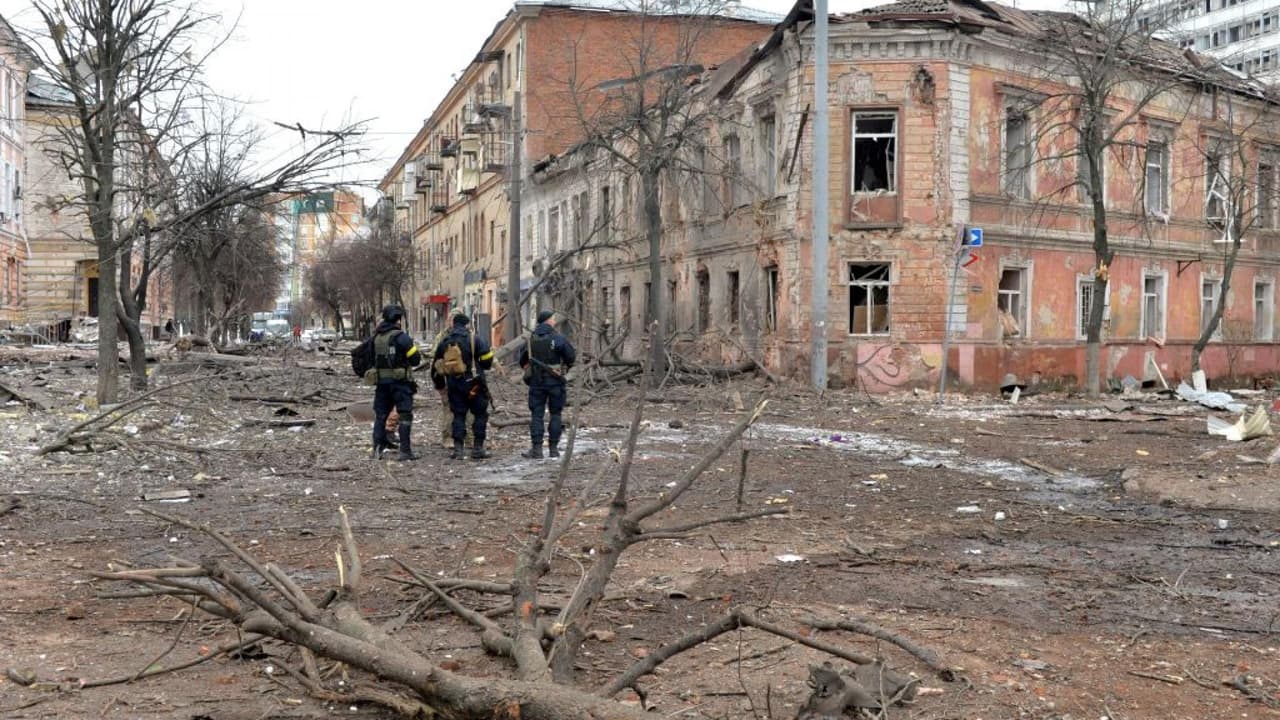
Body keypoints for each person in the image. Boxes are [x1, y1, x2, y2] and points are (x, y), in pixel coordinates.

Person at [433, 313, 494, 460]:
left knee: (458, 415)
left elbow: (436, 366)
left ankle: (458, 450)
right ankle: (477, 448)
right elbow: (487, 361)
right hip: (474, 384)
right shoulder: (475, 339)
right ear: (467, 324)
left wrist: (441, 386)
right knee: (480, 415)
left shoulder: (445, 341)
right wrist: (480, 364)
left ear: (453, 324)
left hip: (454, 384)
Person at [519, 310, 576, 459]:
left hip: (536, 382)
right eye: (553, 319)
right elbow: (571, 357)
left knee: (536, 415)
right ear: (548, 321)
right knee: (555, 414)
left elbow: (522, 361)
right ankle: (553, 449)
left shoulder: (530, 339)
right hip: (555, 382)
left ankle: (537, 450)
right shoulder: (558, 338)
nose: (554, 321)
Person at [370, 305, 423, 461]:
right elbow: (415, 360)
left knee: (381, 416)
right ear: (398, 319)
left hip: (382, 384)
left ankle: (377, 450)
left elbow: (370, 358)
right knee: (405, 415)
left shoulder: (376, 337)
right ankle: (405, 451)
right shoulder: (402, 337)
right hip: (400, 384)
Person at [430, 310, 473, 451]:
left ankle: (469, 438)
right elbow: (436, 361)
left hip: (467, 378)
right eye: (450, 318)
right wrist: (439, 385)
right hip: (448, 377)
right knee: (449, 409)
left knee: (469, 410)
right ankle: (448, 438)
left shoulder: (470, 336)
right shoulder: (442, 337)